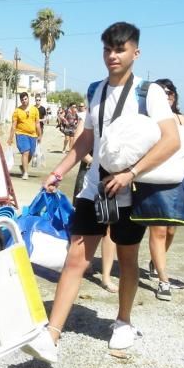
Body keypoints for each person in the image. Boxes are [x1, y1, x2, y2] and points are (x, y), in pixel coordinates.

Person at [40, 21, 178, 360]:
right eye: (107, 49)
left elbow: (171, 140)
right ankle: (52, 334)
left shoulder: (150, 92)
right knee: (75, 258)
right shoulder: (95, 90)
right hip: (95, 187)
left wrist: (132, 173)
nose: (112, 55)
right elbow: (88, 136)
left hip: (130, 191)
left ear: (136, 52)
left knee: (128, 259)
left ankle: (123, 321)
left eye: (120, 49)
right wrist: (59, 170)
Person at [146, 79, 184, 301]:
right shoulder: (149, 120)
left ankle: (156, 261)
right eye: (163, 92)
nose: (168, 95)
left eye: (171, 91)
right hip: (155, 179)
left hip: (178, 179)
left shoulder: (182, 119)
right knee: (159, 230)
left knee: (171, 230)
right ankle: (164, 281)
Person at [71, 118, 116, 293]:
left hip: (109, 176)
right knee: (83, 226)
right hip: (89, 175)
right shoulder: (88, 117)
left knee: (109, 226)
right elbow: (77, 143)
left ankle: (106, 275)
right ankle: (84, 263)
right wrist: (91, 160)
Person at [7, 92, 40, 179]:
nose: (24, 101)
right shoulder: (17, 111)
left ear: (28, 98)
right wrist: (10, 138)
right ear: (20, 101)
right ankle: (25, 172)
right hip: (21, 134)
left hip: (33, 135)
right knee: (25, 152)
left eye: (25, 99)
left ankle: (23, 166)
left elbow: (37, 124)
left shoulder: (35, 110)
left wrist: (39, 135)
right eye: (22, 100)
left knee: (31, 153)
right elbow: (13, 125)